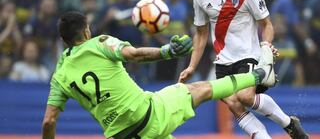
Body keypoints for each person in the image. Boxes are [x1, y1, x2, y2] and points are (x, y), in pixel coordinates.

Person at [42, 11, 276, 139]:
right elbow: (134, 54)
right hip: (148, 113)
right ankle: (258, 76)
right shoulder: (99, 43)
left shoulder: (59, 77)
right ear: (86, 31)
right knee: (200, 89)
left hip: (120, 136)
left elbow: (49, 121)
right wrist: (167, 51)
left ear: (64, 41)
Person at [178, 0, 308, 139]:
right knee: (233, 103)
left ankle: (287, 123)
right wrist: (192, 66)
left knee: (245, 97)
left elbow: (267, 24)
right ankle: (276, 130)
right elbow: (202, 33)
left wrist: (266, 46)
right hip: (222, 60)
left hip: (249, 55)